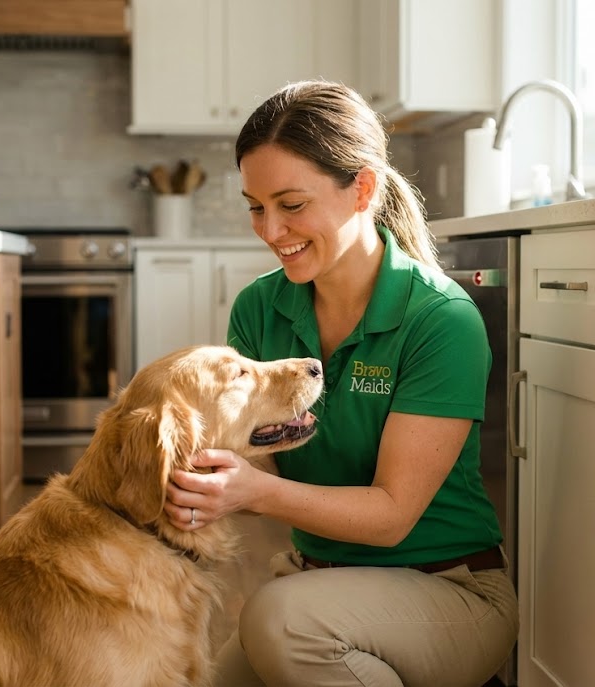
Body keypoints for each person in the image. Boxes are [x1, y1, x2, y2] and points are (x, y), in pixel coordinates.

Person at [163, 80, 518, 687]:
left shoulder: (439, 318)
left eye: (291, 205)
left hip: (449, 591)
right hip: (318, 583)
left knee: (277, 620)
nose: (271, 231)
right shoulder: (260, 308)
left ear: (362, 188)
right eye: (255, 206)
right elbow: (259, 459)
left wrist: (249, 492)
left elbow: (390, 517)